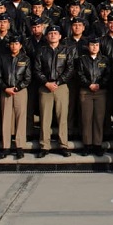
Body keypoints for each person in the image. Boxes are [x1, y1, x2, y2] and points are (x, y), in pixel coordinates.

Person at [34, 24, 77, 157]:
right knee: (45, 118)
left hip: (61, 87)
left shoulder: (66, 50)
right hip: (45, 86)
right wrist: (46, 82)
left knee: (62, 117)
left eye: (55, 33)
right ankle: (44, 145)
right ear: (47, 36)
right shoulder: (41, 51)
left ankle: (63, 144)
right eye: (50, 34)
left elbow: (70, 69)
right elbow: (37, 69)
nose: (53, 35)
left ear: (60, 36)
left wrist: (58, 82)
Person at [0, 35, 32, 159]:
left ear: (20, 46)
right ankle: (6, 146)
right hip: (5, 90)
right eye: (11, 44)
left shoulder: (25, 59)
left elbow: (27, 78)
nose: (14, 46)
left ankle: (19, 146)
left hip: (20, 91)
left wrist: (17, 88)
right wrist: (5, 88)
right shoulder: (2, 59)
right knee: (6, 118)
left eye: (16, 44)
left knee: (20, 118)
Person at [76, 36, 109, 156]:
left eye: (96, 45)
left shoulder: (104, 60)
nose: (94, 47)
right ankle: (87, 144)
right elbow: (79, 74)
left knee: (99, 119)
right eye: (92, 45)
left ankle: (97, 144)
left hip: (100, 92)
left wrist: (100, 84)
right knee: (87, 118)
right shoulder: (82, 59)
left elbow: (107, 75)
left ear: (99, 47)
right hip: (86, 91)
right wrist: (89, 84)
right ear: (88, 46)